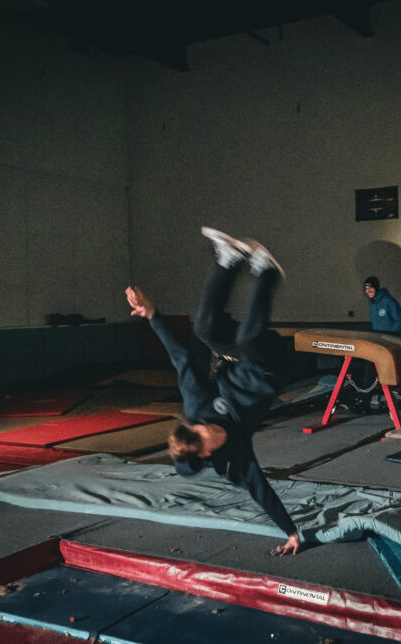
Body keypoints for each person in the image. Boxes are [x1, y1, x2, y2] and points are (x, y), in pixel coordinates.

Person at [125, 227, 300, 557]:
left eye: (199, 428)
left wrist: (153, 316)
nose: (208, 429)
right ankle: (267, 274)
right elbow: (260, 491)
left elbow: (179, 358)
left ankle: (229, 261)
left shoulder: (196, 405)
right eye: (205, 437)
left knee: (203, 328)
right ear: (206, 453)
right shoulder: (233, 462)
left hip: (239, 357)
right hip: (271, 366)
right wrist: (290, 531)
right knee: (248, 339)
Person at [351, 277, 401, 415]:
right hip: (377, 340)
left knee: (398, 374)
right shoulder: (372, 303)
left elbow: (400, 321)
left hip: (389, 340)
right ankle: (365, 404)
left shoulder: (388, 301)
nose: (368, 291)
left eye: (370, 288)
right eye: (366, 289)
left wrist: (390, 336)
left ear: (376, 287)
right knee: (369, 375)